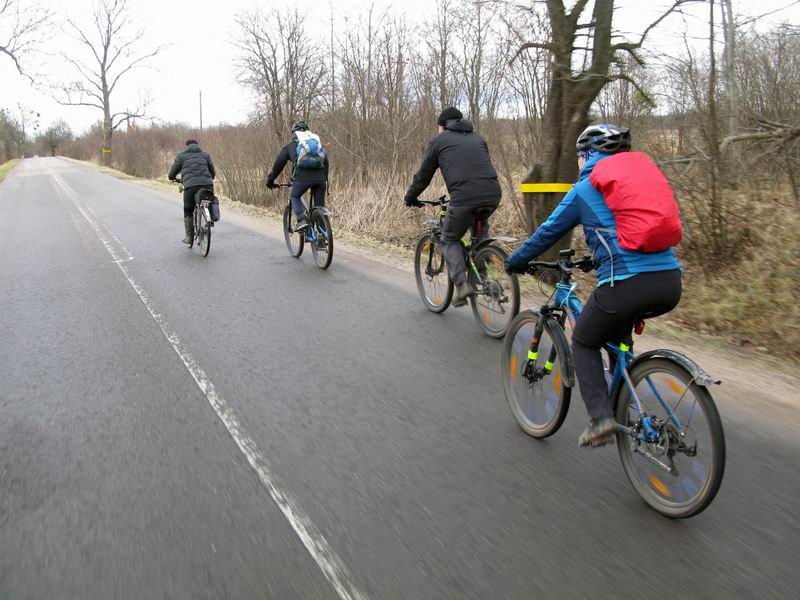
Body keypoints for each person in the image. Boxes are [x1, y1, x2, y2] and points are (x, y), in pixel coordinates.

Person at [504, 124, 683, 448]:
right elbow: (623, 231)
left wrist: (516, 259)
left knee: (585, 341)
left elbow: (548, 231)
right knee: (616, 338)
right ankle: (624, 407)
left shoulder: (586, 188)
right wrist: (597, 258)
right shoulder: (636, 184)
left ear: (586, 155)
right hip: (669, 281)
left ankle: (601, 420)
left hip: (629, 283)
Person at [404, 107, 502, 307]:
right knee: (478, 237)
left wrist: (411, 197)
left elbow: (423, 176)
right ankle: (483, 272)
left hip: (465, 197)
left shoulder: (439, 141)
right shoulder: (478, 138)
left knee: (449, 238)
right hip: (493, 194)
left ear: (442, 126)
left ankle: (462, 286)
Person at [265, 120, 329, 230]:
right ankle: (322, 239)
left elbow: (278, 165)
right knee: (320, 208)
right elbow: (326, 162)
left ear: (294, 133)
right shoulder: (316, 146)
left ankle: (301, 219)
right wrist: (325, 179)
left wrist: (270, 181)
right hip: (320, 179)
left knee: (294, 196)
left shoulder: (291, 146)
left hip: (302, 178)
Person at [168, 139, 216, 244]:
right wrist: (208, 177)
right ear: (197, 146)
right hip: (207, 184)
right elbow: (213, 173)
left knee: (188, 209)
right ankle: (210, 219)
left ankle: (189, 237)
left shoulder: (181, 156)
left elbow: (171, 175)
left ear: (186, 146)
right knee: (208, 201)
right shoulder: (205, 155)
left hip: (190, 186)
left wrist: (175, 178)